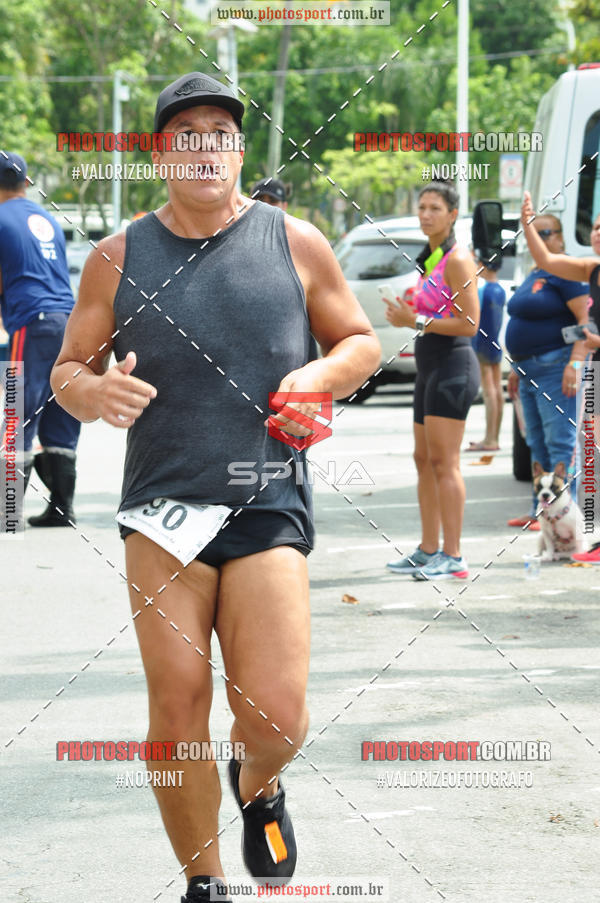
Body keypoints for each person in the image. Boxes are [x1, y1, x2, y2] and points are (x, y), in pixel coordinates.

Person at [50, 72, 380, 902]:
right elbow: (66, 370)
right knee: (179, 706)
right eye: (185, 132)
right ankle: (206, 882)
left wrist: (319, 373)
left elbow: (363, 343)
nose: (204, 145)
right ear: (162, 151)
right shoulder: (116, 255)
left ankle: (259, 780)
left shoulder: (295, 241)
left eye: (219, 131)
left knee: (275, 715)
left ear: (239, 149)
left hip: (266, 500)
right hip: (162, 511)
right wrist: (92, 393)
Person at [382, 178, 480, 580]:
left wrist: (416, 320)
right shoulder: (432, 256)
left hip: (454, 368)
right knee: (423, 460)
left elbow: (471, 324)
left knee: (445, 462)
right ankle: (428, 548)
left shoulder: (458, 259)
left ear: (453, 214)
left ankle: (453, 555)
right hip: (429, 367)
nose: (426, 214)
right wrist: (412, 311)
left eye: (435, 208)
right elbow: (436, 313)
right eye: (422, 207)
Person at [0, 151, 81, 528]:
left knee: (19, 412)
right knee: (60, 407)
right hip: (68, 321)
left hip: (31, 322)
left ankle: (7, 510)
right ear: (26, 183)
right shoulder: (46, 218)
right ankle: (61, 508)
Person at [519, 192, 600, 560]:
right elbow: (546, 259)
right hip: (595, 365)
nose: (597, 234)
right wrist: (527, 224)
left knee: (577, 448)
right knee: (592, 446)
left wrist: (580, 353)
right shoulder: (590, 269)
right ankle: (591, 535)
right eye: (596, 227)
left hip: (580, 363)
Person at [505, 203, 589, 531]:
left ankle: (566, 515)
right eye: (532, 234)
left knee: (561, 443)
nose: (537, 239)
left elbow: (587, 320)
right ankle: (539, 511)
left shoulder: (567, 273)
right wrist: (516, 366)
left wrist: (575, 363)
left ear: (560, 240)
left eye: (545, 233)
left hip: (556, 368)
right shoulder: (537, 273)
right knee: (536, 443)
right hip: (528, 370)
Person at [466, 248, 506, 452]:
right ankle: (492, 436)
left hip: (482, 342)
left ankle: (491, 439)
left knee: (490, 391)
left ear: (482, 265)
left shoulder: (482, 290)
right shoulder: (499, 289)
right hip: (495, 342)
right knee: (497, 390)